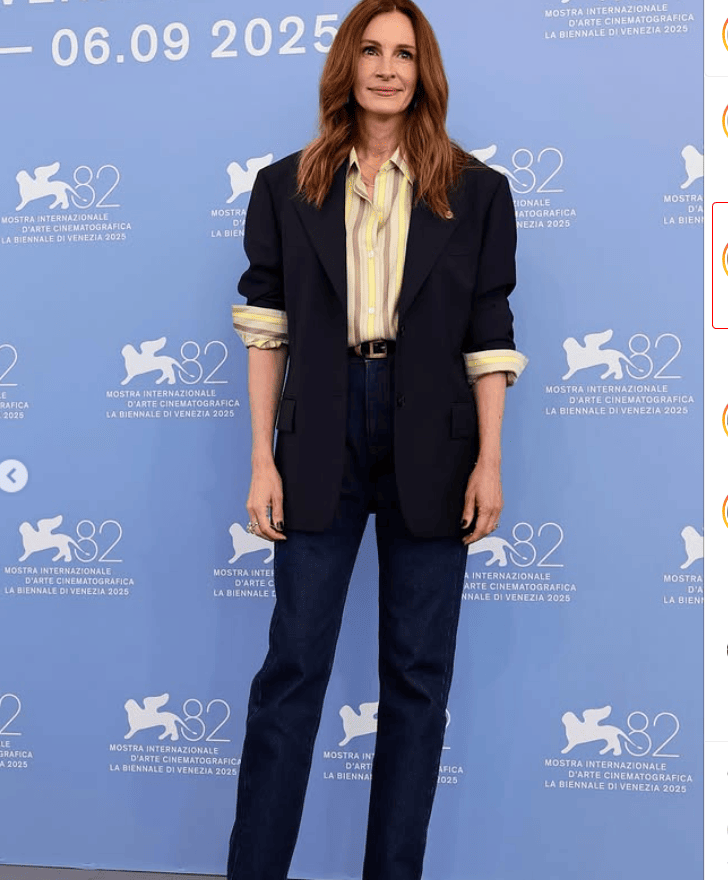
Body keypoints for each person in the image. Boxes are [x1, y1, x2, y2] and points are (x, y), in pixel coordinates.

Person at [225, 2, 527, 878]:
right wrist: (261, 459)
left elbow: (489, 335)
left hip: (435, 434)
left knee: (417, 681)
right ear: (346, 67)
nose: (387, 67)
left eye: (404, 53)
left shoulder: (477, 191)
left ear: (423, 72)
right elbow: (266, 329)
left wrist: (489, 461)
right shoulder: (285, 186)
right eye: (371, 50)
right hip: (318, 433)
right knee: (291, 673)